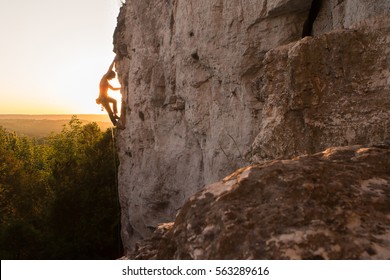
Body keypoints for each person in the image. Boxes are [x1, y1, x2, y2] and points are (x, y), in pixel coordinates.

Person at [96, 58, 121, 126]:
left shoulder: (106, 82)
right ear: (109, 75)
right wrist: (114, 61)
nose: (111, 79)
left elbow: (113, 88)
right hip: (102, 98)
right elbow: (110, 69)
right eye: (112, 77)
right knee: (110, 111)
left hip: (105, 97)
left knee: (114, 101)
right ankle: (115, 123)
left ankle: (115, 115)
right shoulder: (104, 78)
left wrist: (121, 88)